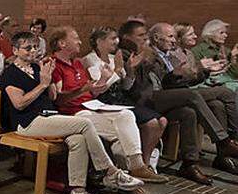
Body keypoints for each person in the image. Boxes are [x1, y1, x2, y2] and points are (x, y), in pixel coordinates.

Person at [0, 32, 147, 194]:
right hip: (27, 122)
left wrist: (49, 79)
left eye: (35, 47)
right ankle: (110, 172)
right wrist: (42, 85)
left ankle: (77, 192)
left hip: (48, 116)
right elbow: (19, 103)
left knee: (78, 139)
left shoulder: (37, 69)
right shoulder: (11, 73)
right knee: (84, 123)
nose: (33, 51)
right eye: (27, 48)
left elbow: (53, 98)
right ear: (15, 50)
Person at [136, 23, 238, 183]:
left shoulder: (170, 55)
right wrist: (176, 74)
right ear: (157, 38)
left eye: (174, 36)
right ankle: (225, 141)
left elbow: (180, 81)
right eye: (170, 36)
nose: (174, 41)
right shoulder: (149, 54)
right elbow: (154, 82)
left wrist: (205, 71)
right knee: (198, 94)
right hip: (151, 99)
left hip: (170, 96)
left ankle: (190, 164)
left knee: (192, 112)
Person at [46, 26, 167, 184]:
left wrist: (103, 79)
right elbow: (59, 100)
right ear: (62, 43)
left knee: (126, 115)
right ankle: (120, 174)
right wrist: (84, 89)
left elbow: (94, 92)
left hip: (93, 105)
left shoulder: (76, 63)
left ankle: (138, 166)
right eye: (75, 38)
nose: (80, 41)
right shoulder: (54, 64)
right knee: (121, 134)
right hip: (75, 112)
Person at [84, 26, 167, 169]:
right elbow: (100, 89)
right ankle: (142, 164)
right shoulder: (90, 60)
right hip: (105, 101)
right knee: (152, 124)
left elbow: (126, 86)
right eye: (112, 38)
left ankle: (145, 162)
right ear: (99, 41)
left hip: (121, 98)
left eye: (117, 37)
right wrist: (116, 70)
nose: (116, 41)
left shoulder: (114, 58)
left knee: (163, 121)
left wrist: (130, 71)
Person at [175, 23, 238, 146]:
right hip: (195, 88)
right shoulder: (193, 51)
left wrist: (230, 60)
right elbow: (180, 79)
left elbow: (235, 74)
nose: (195, 36)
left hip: (208, 84)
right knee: (232, 92)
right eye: (191, 34)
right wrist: (204, 69)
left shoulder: (189, 53)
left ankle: (233, 143)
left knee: (225, 101)